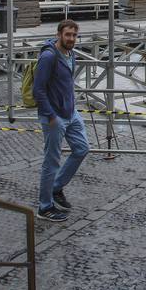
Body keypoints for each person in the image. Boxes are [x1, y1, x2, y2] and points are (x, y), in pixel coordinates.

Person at [34, 20, 90, 223]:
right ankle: (45, 206)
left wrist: (71, 107)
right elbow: (38, 90)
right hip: (54, 117)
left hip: (70, 113)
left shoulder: (71, 53)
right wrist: (51, 117)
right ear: (59, 34)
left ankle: (56, 187)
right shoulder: (49, 57)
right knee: (51, 161)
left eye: (74, 35)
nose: (71, 39)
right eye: (68, 35)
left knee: (82, 148)